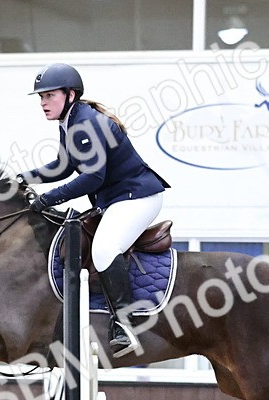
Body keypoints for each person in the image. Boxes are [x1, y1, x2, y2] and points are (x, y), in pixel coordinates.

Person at [19, 63, 169, 358]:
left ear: (70, 95)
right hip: (117, 198)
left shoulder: (86, 124)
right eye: (40, 97)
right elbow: (63, 166)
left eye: (49, 96)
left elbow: (92, 177)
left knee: (103, 249)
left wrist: (47, 199)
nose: (43, 103)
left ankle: (124, 324)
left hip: (137, 197)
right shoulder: (70, 122)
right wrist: (25, 177)